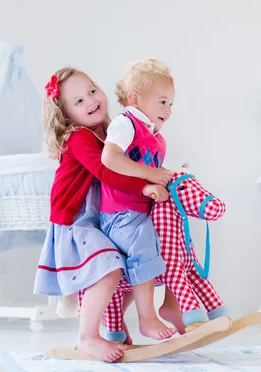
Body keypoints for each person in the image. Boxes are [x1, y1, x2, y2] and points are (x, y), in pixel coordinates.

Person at [33, 67, 169, 362]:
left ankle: (112, 326)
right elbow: (107, 173)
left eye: (92, 91)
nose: (91, 101)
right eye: (78, 101)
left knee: (132, 264)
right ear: (66, 114)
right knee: (109, 267)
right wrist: (146, 184)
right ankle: (87, 337)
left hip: (102, 218)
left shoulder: (109, 132)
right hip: (76, 221)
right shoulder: (79, 136)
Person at [99, 57, 178, 342]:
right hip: (119, 213)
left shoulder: (152, 134)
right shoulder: (126, 123)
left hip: (137, 211)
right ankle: (147, 318)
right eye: (162, 102)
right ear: (135, 99)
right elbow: (109, 158)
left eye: (171, 104)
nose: (168, 110)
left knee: (170, 245)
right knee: (143, 246)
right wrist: (150, 174)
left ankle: (120, 320)